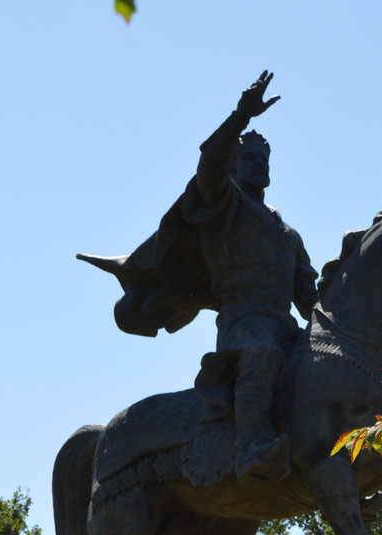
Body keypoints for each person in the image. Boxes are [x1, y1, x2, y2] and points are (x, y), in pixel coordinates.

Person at [79, 71, 317, 482]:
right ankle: (252, 446)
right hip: (245, 328)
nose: (259, 162)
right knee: (263, 354)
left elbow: (308, 300)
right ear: (234, 167)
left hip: (286, 328)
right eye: (249, 157)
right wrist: (240, 116)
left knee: (325, 365)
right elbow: (209, 163)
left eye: (264, 158)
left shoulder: (287, 233)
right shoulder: (223, 204)